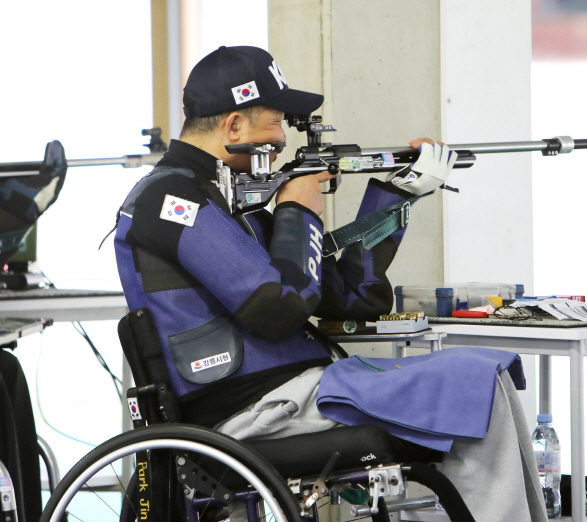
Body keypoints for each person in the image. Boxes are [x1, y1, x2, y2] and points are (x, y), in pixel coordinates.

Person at [114, 45, 546, 521]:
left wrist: (397, 193)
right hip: (255, 409)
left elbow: (350, 298)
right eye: (276, 122)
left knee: (486, 379)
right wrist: (296, 212)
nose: (283, 139)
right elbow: (278, 309)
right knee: (478, 381)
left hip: (299, 390)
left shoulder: (225, 198)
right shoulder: (172, 200)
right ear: (234, 126)